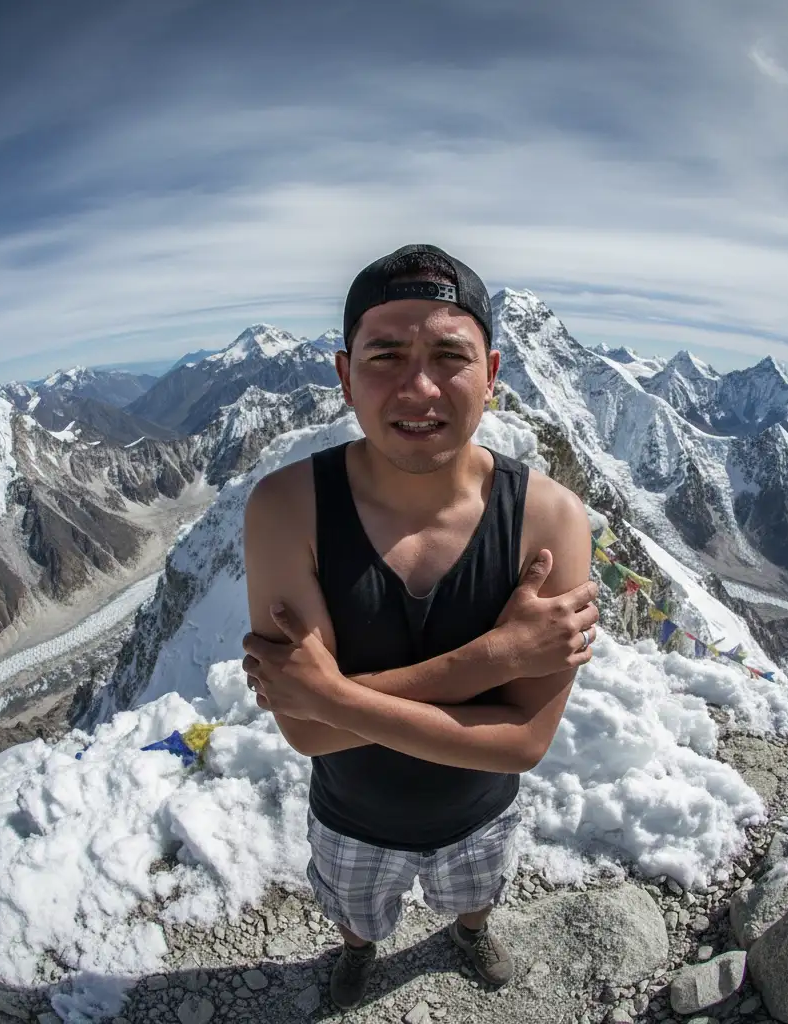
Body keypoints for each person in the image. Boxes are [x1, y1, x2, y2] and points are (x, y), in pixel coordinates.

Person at [241, 243, 599, 1010]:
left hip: (478, 812)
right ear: (344, 375)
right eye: (386, 354)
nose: (420, 385)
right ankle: (361, 949)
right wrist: (497, 656)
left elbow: (525, 742)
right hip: (351, 816)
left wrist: (329, 695)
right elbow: (305, 735)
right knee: (355, 912)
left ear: (493, 374)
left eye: (449, 354)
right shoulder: (284, 508)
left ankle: (467, 931)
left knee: (474, 894)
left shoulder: (550, 518)